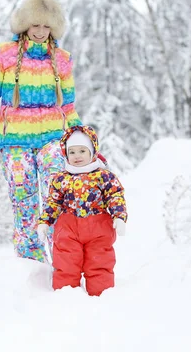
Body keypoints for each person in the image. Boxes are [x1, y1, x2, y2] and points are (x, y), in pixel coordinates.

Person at [0, 0, 82, 262]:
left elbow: (68, 107)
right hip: (15, 141)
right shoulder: (4, 55)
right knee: (24, 201)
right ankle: (30, 264)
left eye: (47, 26)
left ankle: (64, 262)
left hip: (52, 139)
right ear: (25, 25)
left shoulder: (61, 59)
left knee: (56, 199)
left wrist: (83, 140)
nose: (40, 32)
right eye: (35, 25)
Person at [37, 125, 127, 296]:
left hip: (99, 227)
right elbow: (53, 202)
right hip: (69, 228)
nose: (77, 156)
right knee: (66, 261)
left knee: (99, 261)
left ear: (92, 152)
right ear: (66, 154)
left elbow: (115, 196)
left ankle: (102, 295)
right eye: (72, 152)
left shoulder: (104, 176)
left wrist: (119, 217)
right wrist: (45, 222)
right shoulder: (61, 178)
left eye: (82, 151)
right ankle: (66, 294)